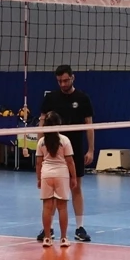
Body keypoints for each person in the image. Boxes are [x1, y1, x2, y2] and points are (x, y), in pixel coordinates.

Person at [40, 66, 95, 241]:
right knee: (51, 192)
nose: (63, 84)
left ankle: (79, 228)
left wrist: (91, 150)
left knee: (76, 187)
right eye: (59, 81)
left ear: (73, 78)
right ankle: (49, 229)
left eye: (65, 80)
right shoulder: (50, 98)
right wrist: (40, 148)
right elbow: (42, 122)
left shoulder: (83, 98)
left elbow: (89, 125)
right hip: (53, 150)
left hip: (75, 149)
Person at [36, 112, 76, 247]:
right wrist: (74, 177)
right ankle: (63, 238)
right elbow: (70, 161)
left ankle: (47, 238)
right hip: (61, 175)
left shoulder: (41, 142)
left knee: (47, 207)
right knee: (62, 207)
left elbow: (38, 163)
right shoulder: (65, 140)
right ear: (59, 124)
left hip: (46, 174)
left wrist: (39, 178)